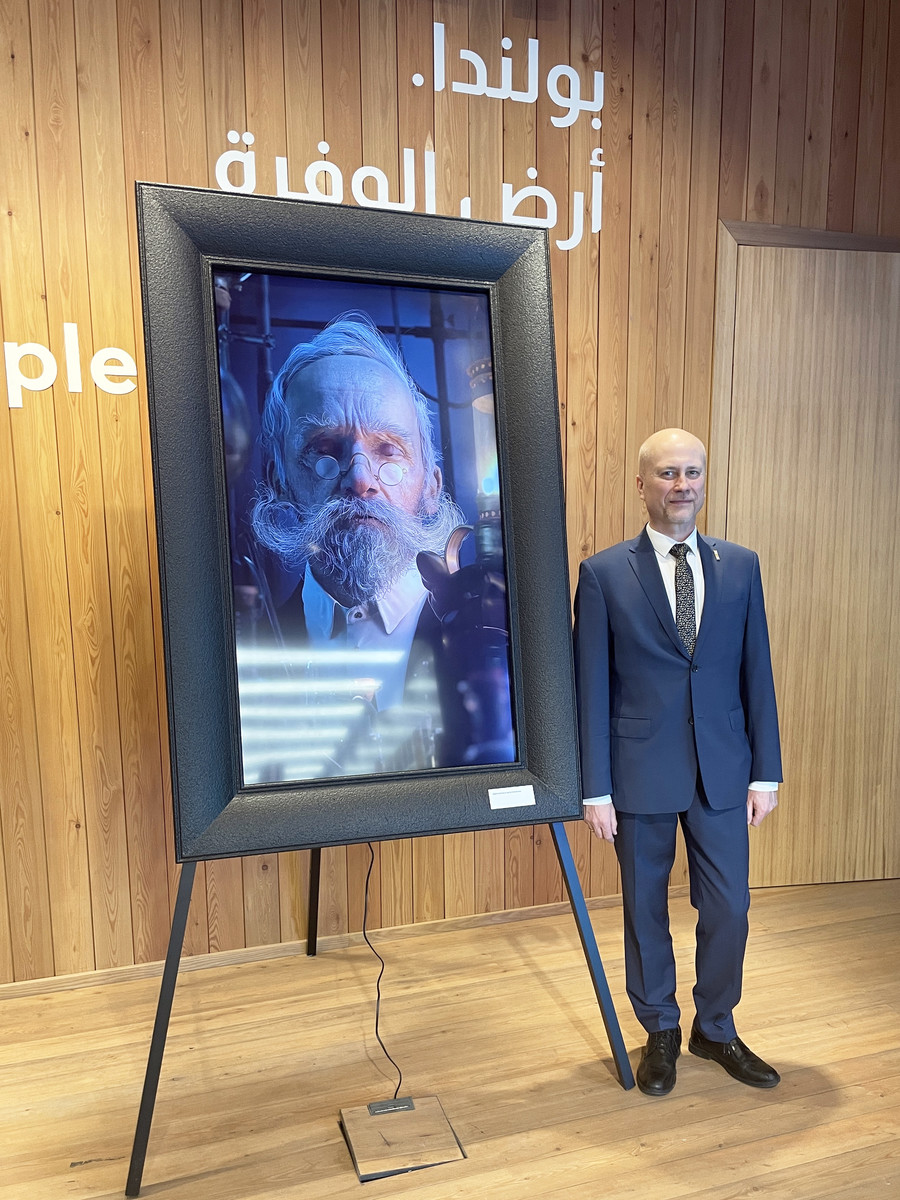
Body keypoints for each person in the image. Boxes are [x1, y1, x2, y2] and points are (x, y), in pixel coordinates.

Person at [573, 428, 782, 1097]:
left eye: (692, 472)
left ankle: (714, 1028)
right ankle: (659, 1028)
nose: (682, 485)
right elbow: (590, 689)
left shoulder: (740, 566)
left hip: (722, 770)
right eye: (668, 473)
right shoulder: (604, 574)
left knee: (730, 907)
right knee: (644, 908)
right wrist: (594, 789)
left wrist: (766, 771)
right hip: (638, 772)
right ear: (642, 484)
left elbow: (756, 673)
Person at [243, 311, 514, 780]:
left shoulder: (499, 638)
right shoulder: (248, 652)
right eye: (324, 450)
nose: (360, 479)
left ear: (431, 487)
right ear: (280, 482)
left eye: (389, 450)